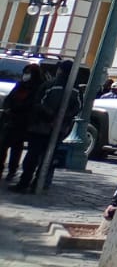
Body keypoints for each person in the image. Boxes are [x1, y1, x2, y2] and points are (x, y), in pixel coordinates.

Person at [12, 60, 78, 192]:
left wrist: (51, 116)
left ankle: (26, 183)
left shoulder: (50, 85)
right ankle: (38, 184)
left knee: (33, 157)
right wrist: (61, 118)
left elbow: (38, 103)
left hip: (41, 127)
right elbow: (76, 108)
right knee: (47, 158)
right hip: (57, 128)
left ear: (60, 71)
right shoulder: (75, 90)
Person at [1, 63, 42, 182]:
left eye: (29, 73)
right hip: (9, 121)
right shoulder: (20, 85)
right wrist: (8, 108)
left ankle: (12, 171)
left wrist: (16, 109)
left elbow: (31, 104)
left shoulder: (36, 88)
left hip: (22, 122)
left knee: (16, 148)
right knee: (3, 146)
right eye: (26, 72)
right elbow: (9, 99)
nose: (26, 75)